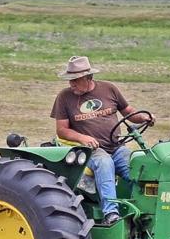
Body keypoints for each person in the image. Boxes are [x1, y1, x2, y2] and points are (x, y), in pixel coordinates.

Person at [50, 55, 154, 226]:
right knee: (104, 163)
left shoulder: (109, 89)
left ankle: (143, 213)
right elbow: (62, 130)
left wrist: (144, 118)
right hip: (89, 152)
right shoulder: (64, 97)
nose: (71, 83)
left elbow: (128, 112)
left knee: (139, 169)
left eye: (76, 79)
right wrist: (83, 138)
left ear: (89, 77)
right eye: (70, 79)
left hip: (117, 147)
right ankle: (111, 214)